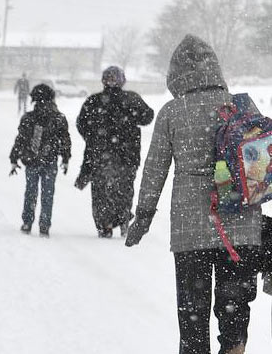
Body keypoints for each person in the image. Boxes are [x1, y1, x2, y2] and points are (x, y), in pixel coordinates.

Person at [126, 35, 262, 354]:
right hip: (240, 224)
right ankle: (234, 347)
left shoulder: (172, 112)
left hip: (191, 230)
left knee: (193, 316)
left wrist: (143, 216)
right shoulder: (241, 104)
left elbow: (155, 169)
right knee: (234, 312)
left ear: (176, 75)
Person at [75, 66, 153, 238]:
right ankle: (123, 217)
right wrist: (130, 118)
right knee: (124, 190)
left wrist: (93, 137)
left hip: (100, 155)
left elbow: (81, 124)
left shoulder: (94, 101)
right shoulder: (131, 99)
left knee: (101, 192)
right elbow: (148, 116)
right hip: (127, 155)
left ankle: (105, 224)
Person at [9, 84, 71, 237]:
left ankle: (27, 222)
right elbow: (65, 140)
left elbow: (21, 140)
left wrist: (14, 157)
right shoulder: (59, 118)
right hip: (50, 160)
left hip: (31, 160)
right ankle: (44, 225)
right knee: (47, 194)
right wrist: (65, 157)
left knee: (31, 192)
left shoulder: (29, 118)